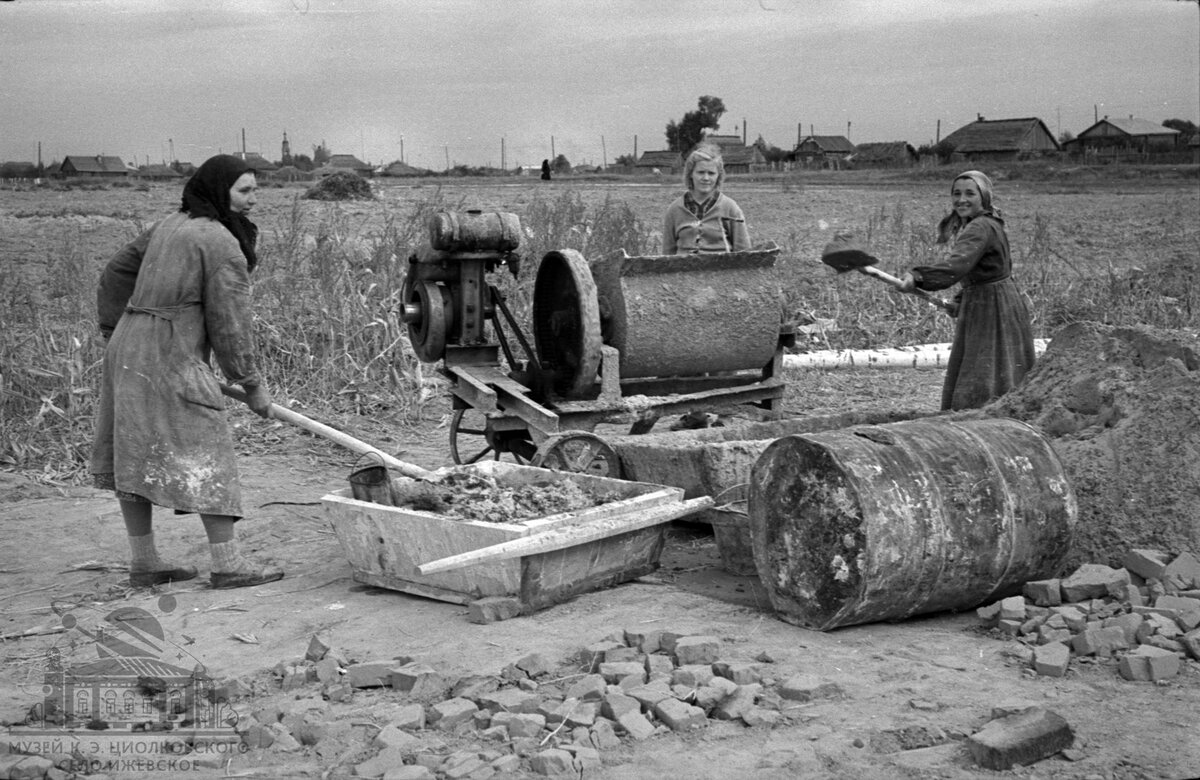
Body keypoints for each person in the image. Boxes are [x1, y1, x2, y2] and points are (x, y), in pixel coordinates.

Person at [90, 154, 284, 589]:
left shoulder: (169, 223)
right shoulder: (217, 241)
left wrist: (118, 329)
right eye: (244, 191)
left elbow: (116, 272)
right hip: (168, 352)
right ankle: (229, 564)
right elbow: (231, 324)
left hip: (128, 346)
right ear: (220, 191)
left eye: (255, 189)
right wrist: (251, 383)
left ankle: (145, 563)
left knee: (132, 449)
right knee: (208, 446)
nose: (254, 199)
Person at [899, 170, 1035, 411]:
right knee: (1002, 369)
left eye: (970, 193)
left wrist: (918, 276)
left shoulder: (980, 227)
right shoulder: (989, 223)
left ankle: (979, 421)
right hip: (999, 302)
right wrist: (962, 299)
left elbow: (957, 265)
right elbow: (985, 269)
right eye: (956, 193)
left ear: (984, 197)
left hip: (991, 307)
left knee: (982, 369)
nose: (961, 199)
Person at [661, 142, 750, 254]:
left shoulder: (730, 208)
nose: (706, 178)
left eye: (711, 173)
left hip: (721, 270)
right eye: (700, 172)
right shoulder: (674, 210)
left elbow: (744, 252)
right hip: (683, 270)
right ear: (690, 174)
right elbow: (667, 254)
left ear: (719, 176)